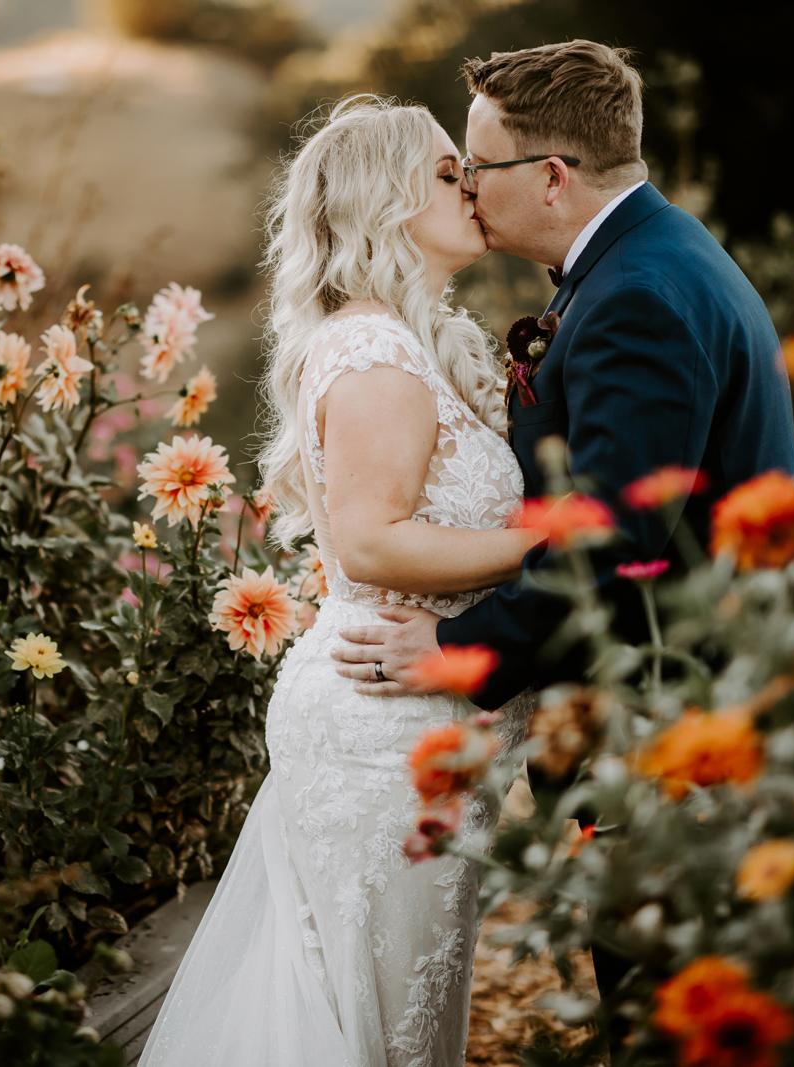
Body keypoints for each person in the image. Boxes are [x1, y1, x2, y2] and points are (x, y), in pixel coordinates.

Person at [330, 40, 794, 1001]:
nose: (467, 190)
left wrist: (459, 646)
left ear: (550, 177)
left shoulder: (638, 299)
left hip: (667, 725)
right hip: (683, 707)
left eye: (478, 167)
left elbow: (615, 537)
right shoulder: (651, 259)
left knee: (671, 1005)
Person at [138, 97, 537, 1067]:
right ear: (387, 198)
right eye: (449, 172)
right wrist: (554, 541)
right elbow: (372, 542)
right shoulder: (373, 350)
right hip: (382, 727)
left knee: (388, 1014)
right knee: (367, 1023)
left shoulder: (412, 336)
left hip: (417, 722)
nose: (472, 185)